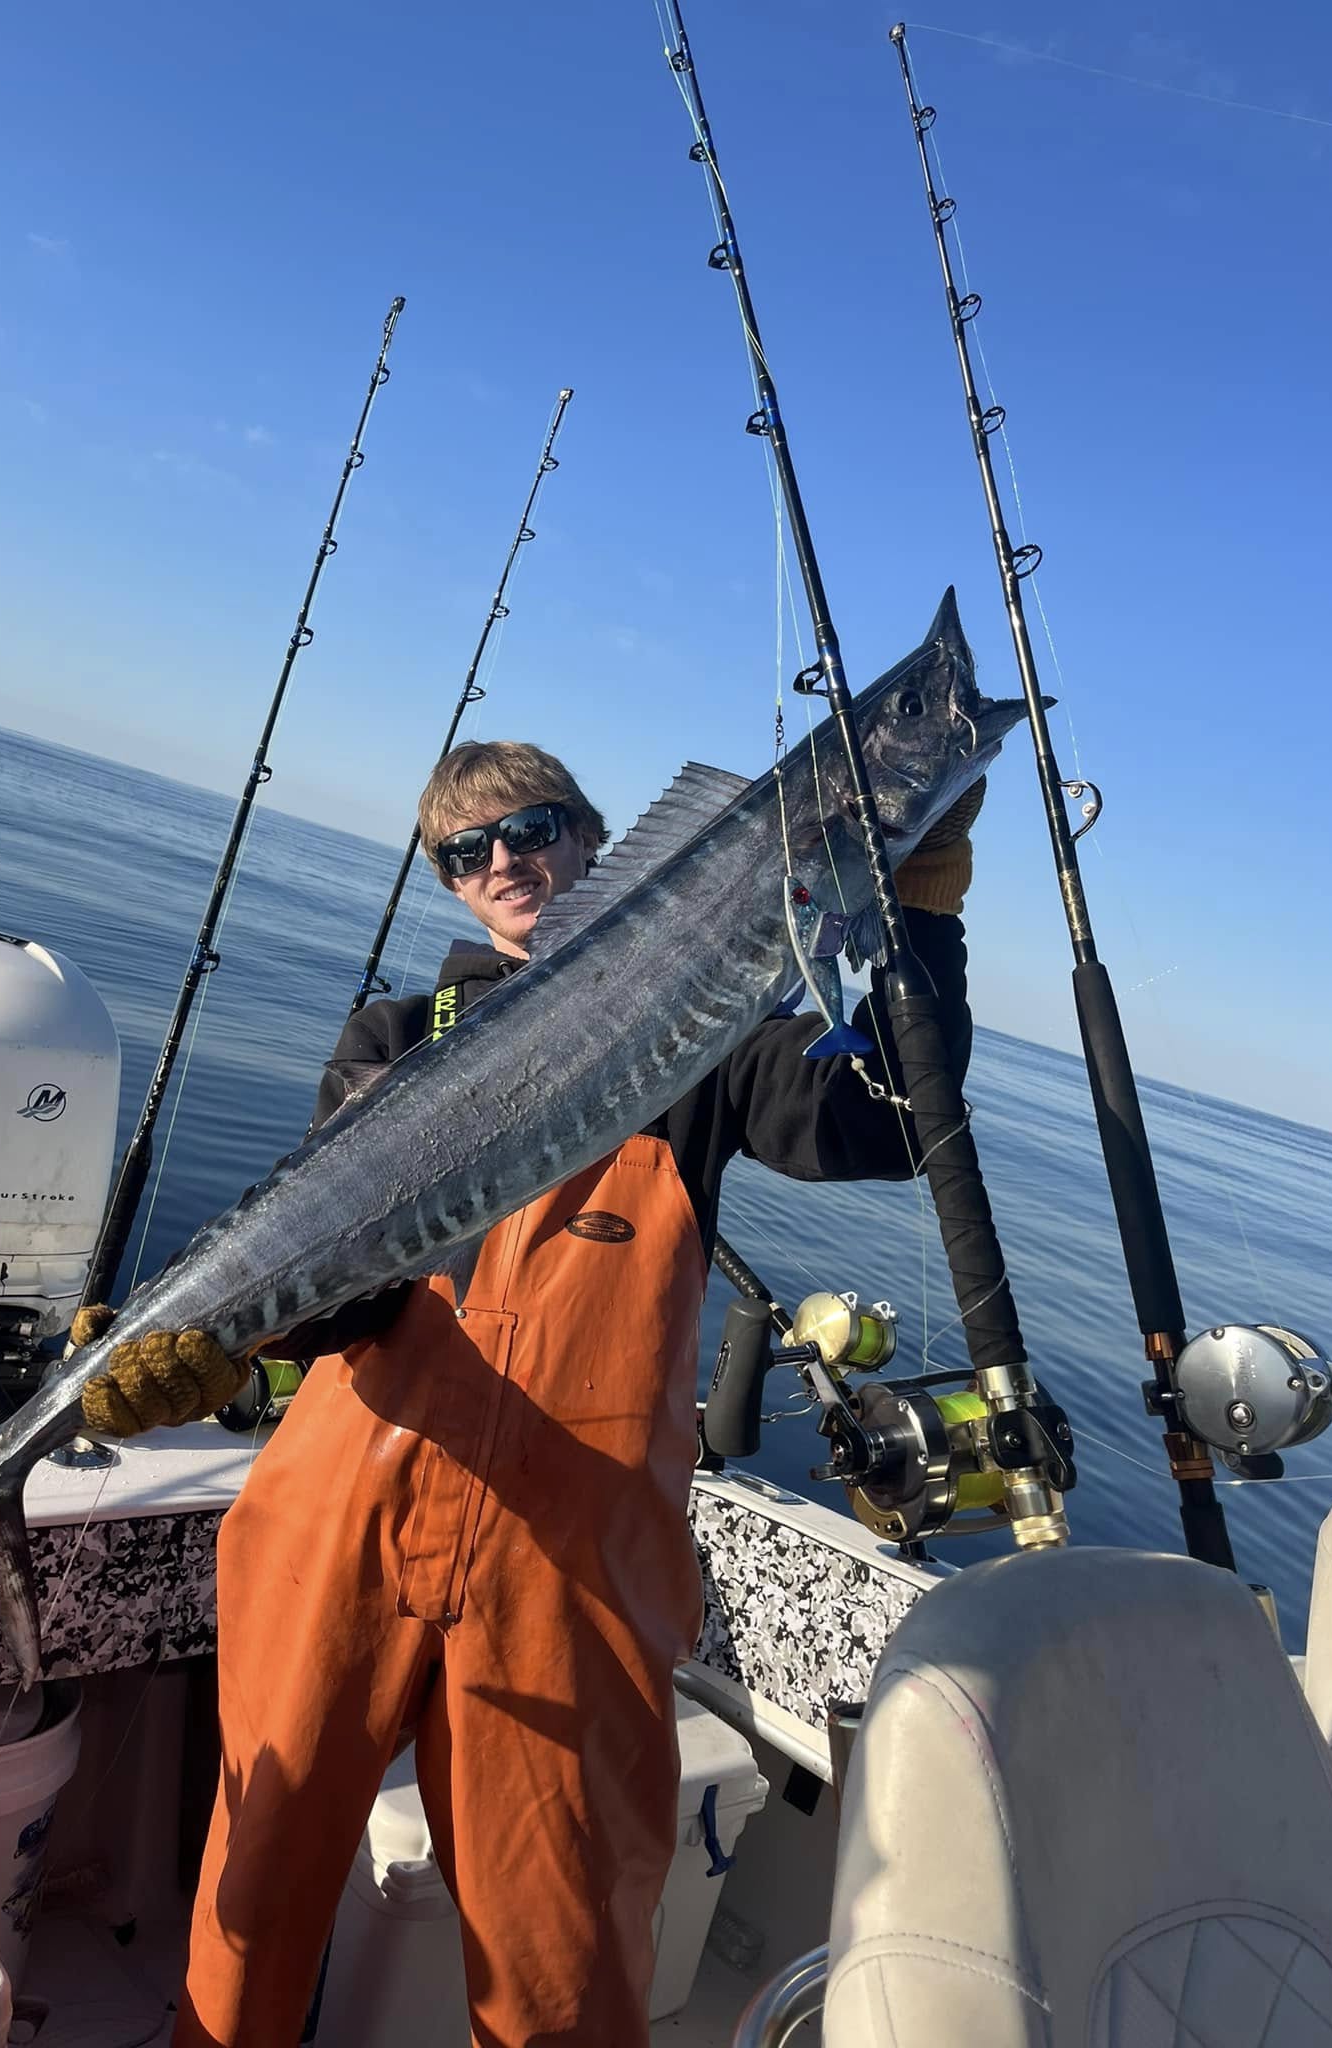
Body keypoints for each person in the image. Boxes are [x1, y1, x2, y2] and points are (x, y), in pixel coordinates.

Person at [91, 738, 980, 2048]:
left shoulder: (708, 1041)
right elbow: (349, 1281)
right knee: (254, 1880)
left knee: (565, 1946)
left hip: (568, 1559)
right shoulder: (396, 1039)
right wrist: (223, 1342)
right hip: (343, 1521)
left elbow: (892, 1118)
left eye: (534, 828)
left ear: (591, 842)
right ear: (446, 880)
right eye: (467, 848)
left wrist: (922, 918)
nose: (504, 860)